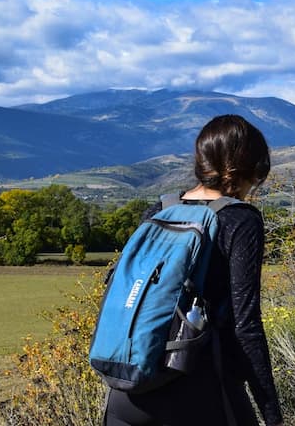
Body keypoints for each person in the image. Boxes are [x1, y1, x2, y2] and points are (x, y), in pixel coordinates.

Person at [104, 114, 284, 426]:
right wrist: (272, 414)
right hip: (200, 390)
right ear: (249, 168)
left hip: (127, 391)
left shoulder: (160, 210)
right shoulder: (240, 220)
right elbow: (246, 326)